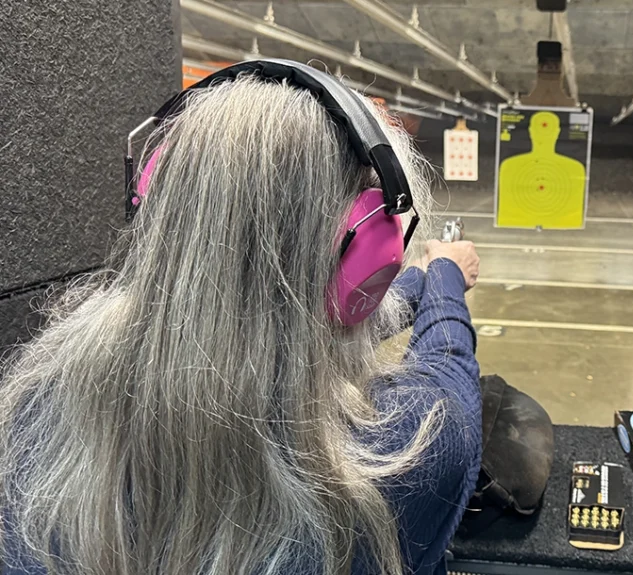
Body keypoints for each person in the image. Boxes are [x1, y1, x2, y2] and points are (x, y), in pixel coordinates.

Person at [0, 75, 482, 575]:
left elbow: (275, 319)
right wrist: (444, 272)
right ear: (364, 267)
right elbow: (448, 373)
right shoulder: (403, 455)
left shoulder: (31, 411)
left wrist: (420, 280)